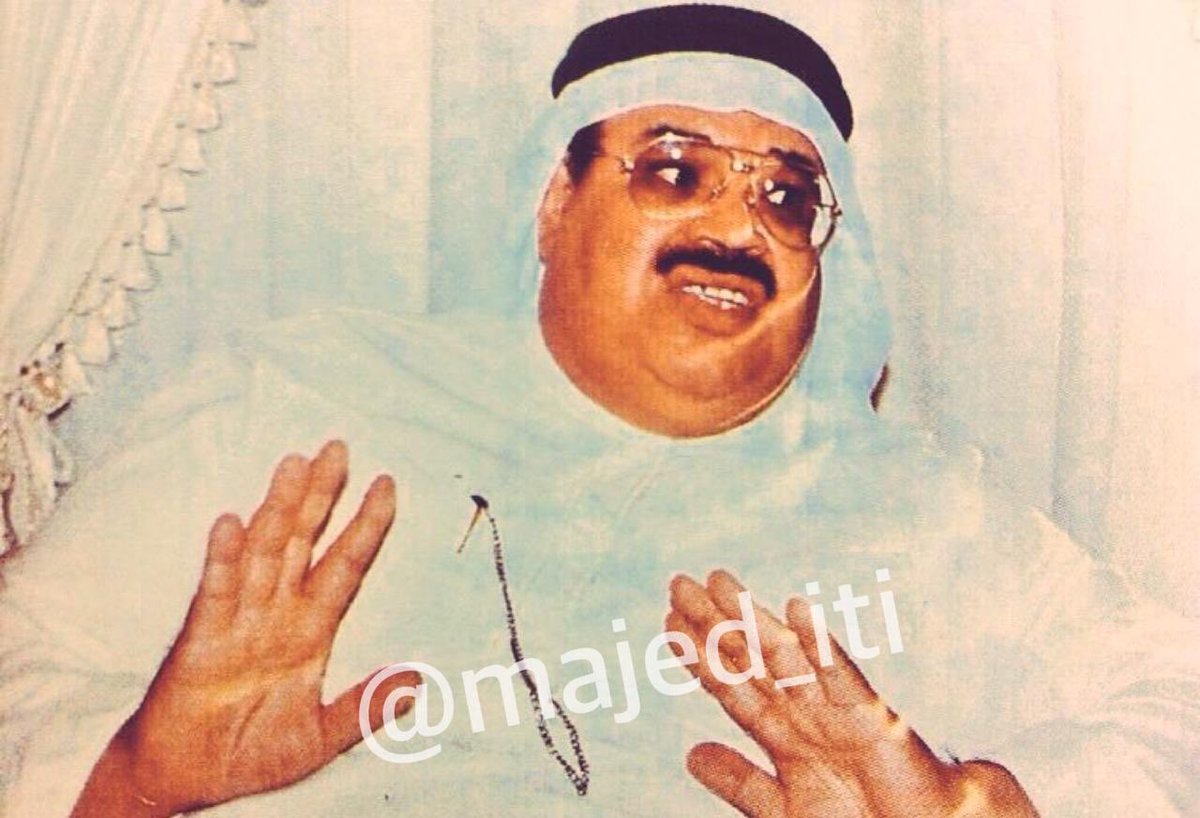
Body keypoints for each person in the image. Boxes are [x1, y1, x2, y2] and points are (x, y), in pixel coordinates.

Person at [2, 5, 1197, 816]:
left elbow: (1178, 709)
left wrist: (979, 805)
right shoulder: (301, 406)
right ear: (553, 204)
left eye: (789, 198)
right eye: (674, 169)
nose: (736, 227)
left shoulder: (923, 507)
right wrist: (126, 775)